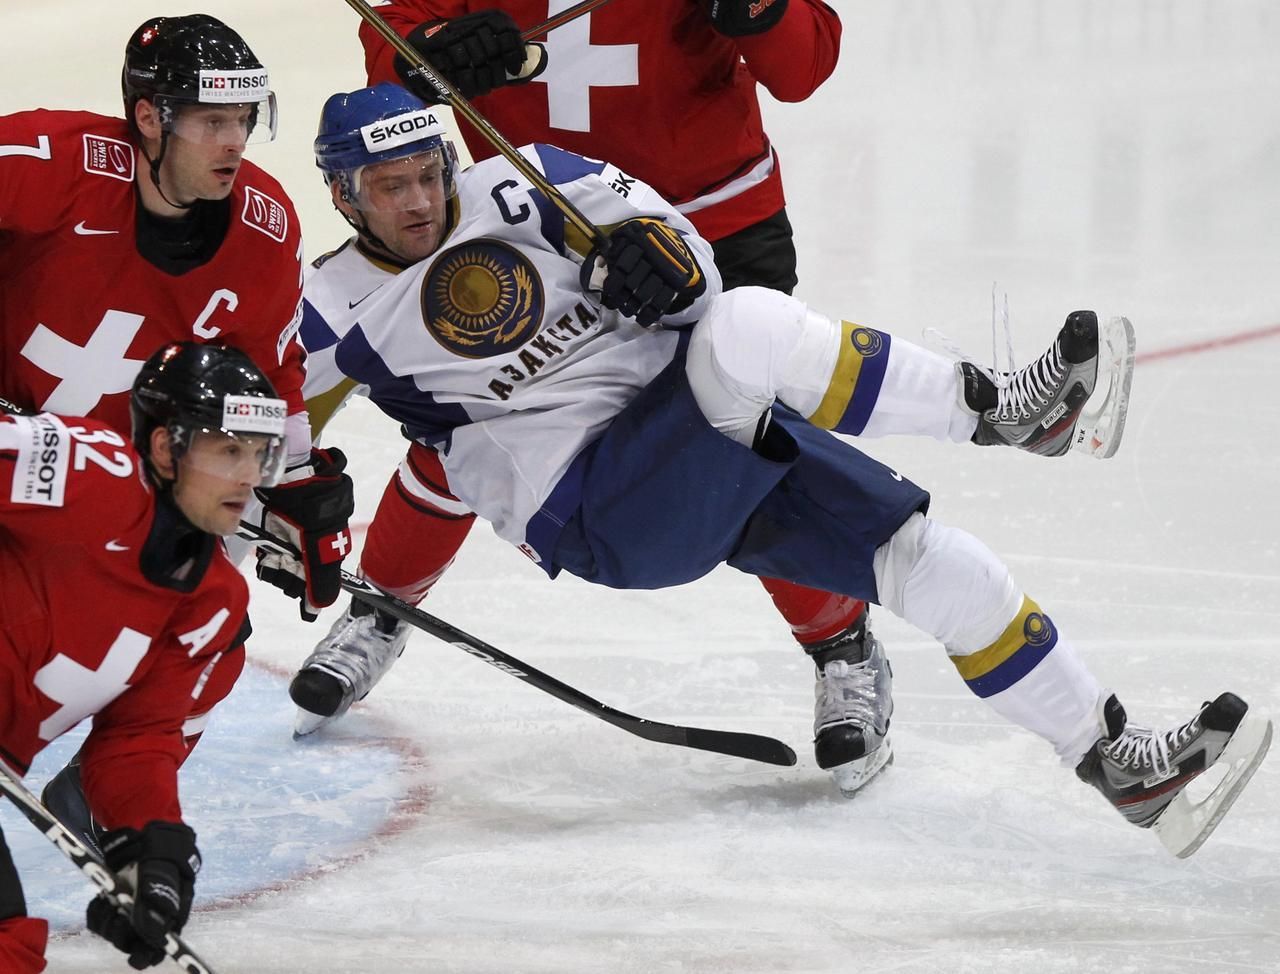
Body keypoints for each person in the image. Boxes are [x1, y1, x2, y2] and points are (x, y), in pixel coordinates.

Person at [293, 89, 1271, 859]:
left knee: (937, 565)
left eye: (426, 172)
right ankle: (1002, 410)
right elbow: (254, 423)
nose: (418, 198)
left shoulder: (527, 181)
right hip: (594, 507)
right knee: (747, 333)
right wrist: (275, 502)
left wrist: (658, 260)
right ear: (344, 194)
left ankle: (1113, 762)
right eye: (389, 186)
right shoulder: (333, 305)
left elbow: (689, 269)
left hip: (697, 438)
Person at [309, 4, 896, 796]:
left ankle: (843, 646)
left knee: (745, 440)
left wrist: (754, 11)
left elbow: (802, 66)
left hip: (709, 222)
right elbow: (389, 73)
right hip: (532, 231)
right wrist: (422, 60)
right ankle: (384, 610)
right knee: (479, 429)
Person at [0, 14, 355, 832]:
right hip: (18, 463)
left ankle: (111, 797)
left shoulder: (264, 227)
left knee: (211, 608)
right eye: (210, 122)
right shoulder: (53, 164)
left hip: (122, 479)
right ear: (150, 118)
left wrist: (296, 485)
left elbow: (271, 369)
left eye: (244, 121)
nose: (233, 145)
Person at [0, 343, 290, 973]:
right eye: (229, 449)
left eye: (261, 453)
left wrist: (150, 854)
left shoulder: (211, 601)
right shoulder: (84, 469)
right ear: (166, 448)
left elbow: (136, 740)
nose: (249, 477)